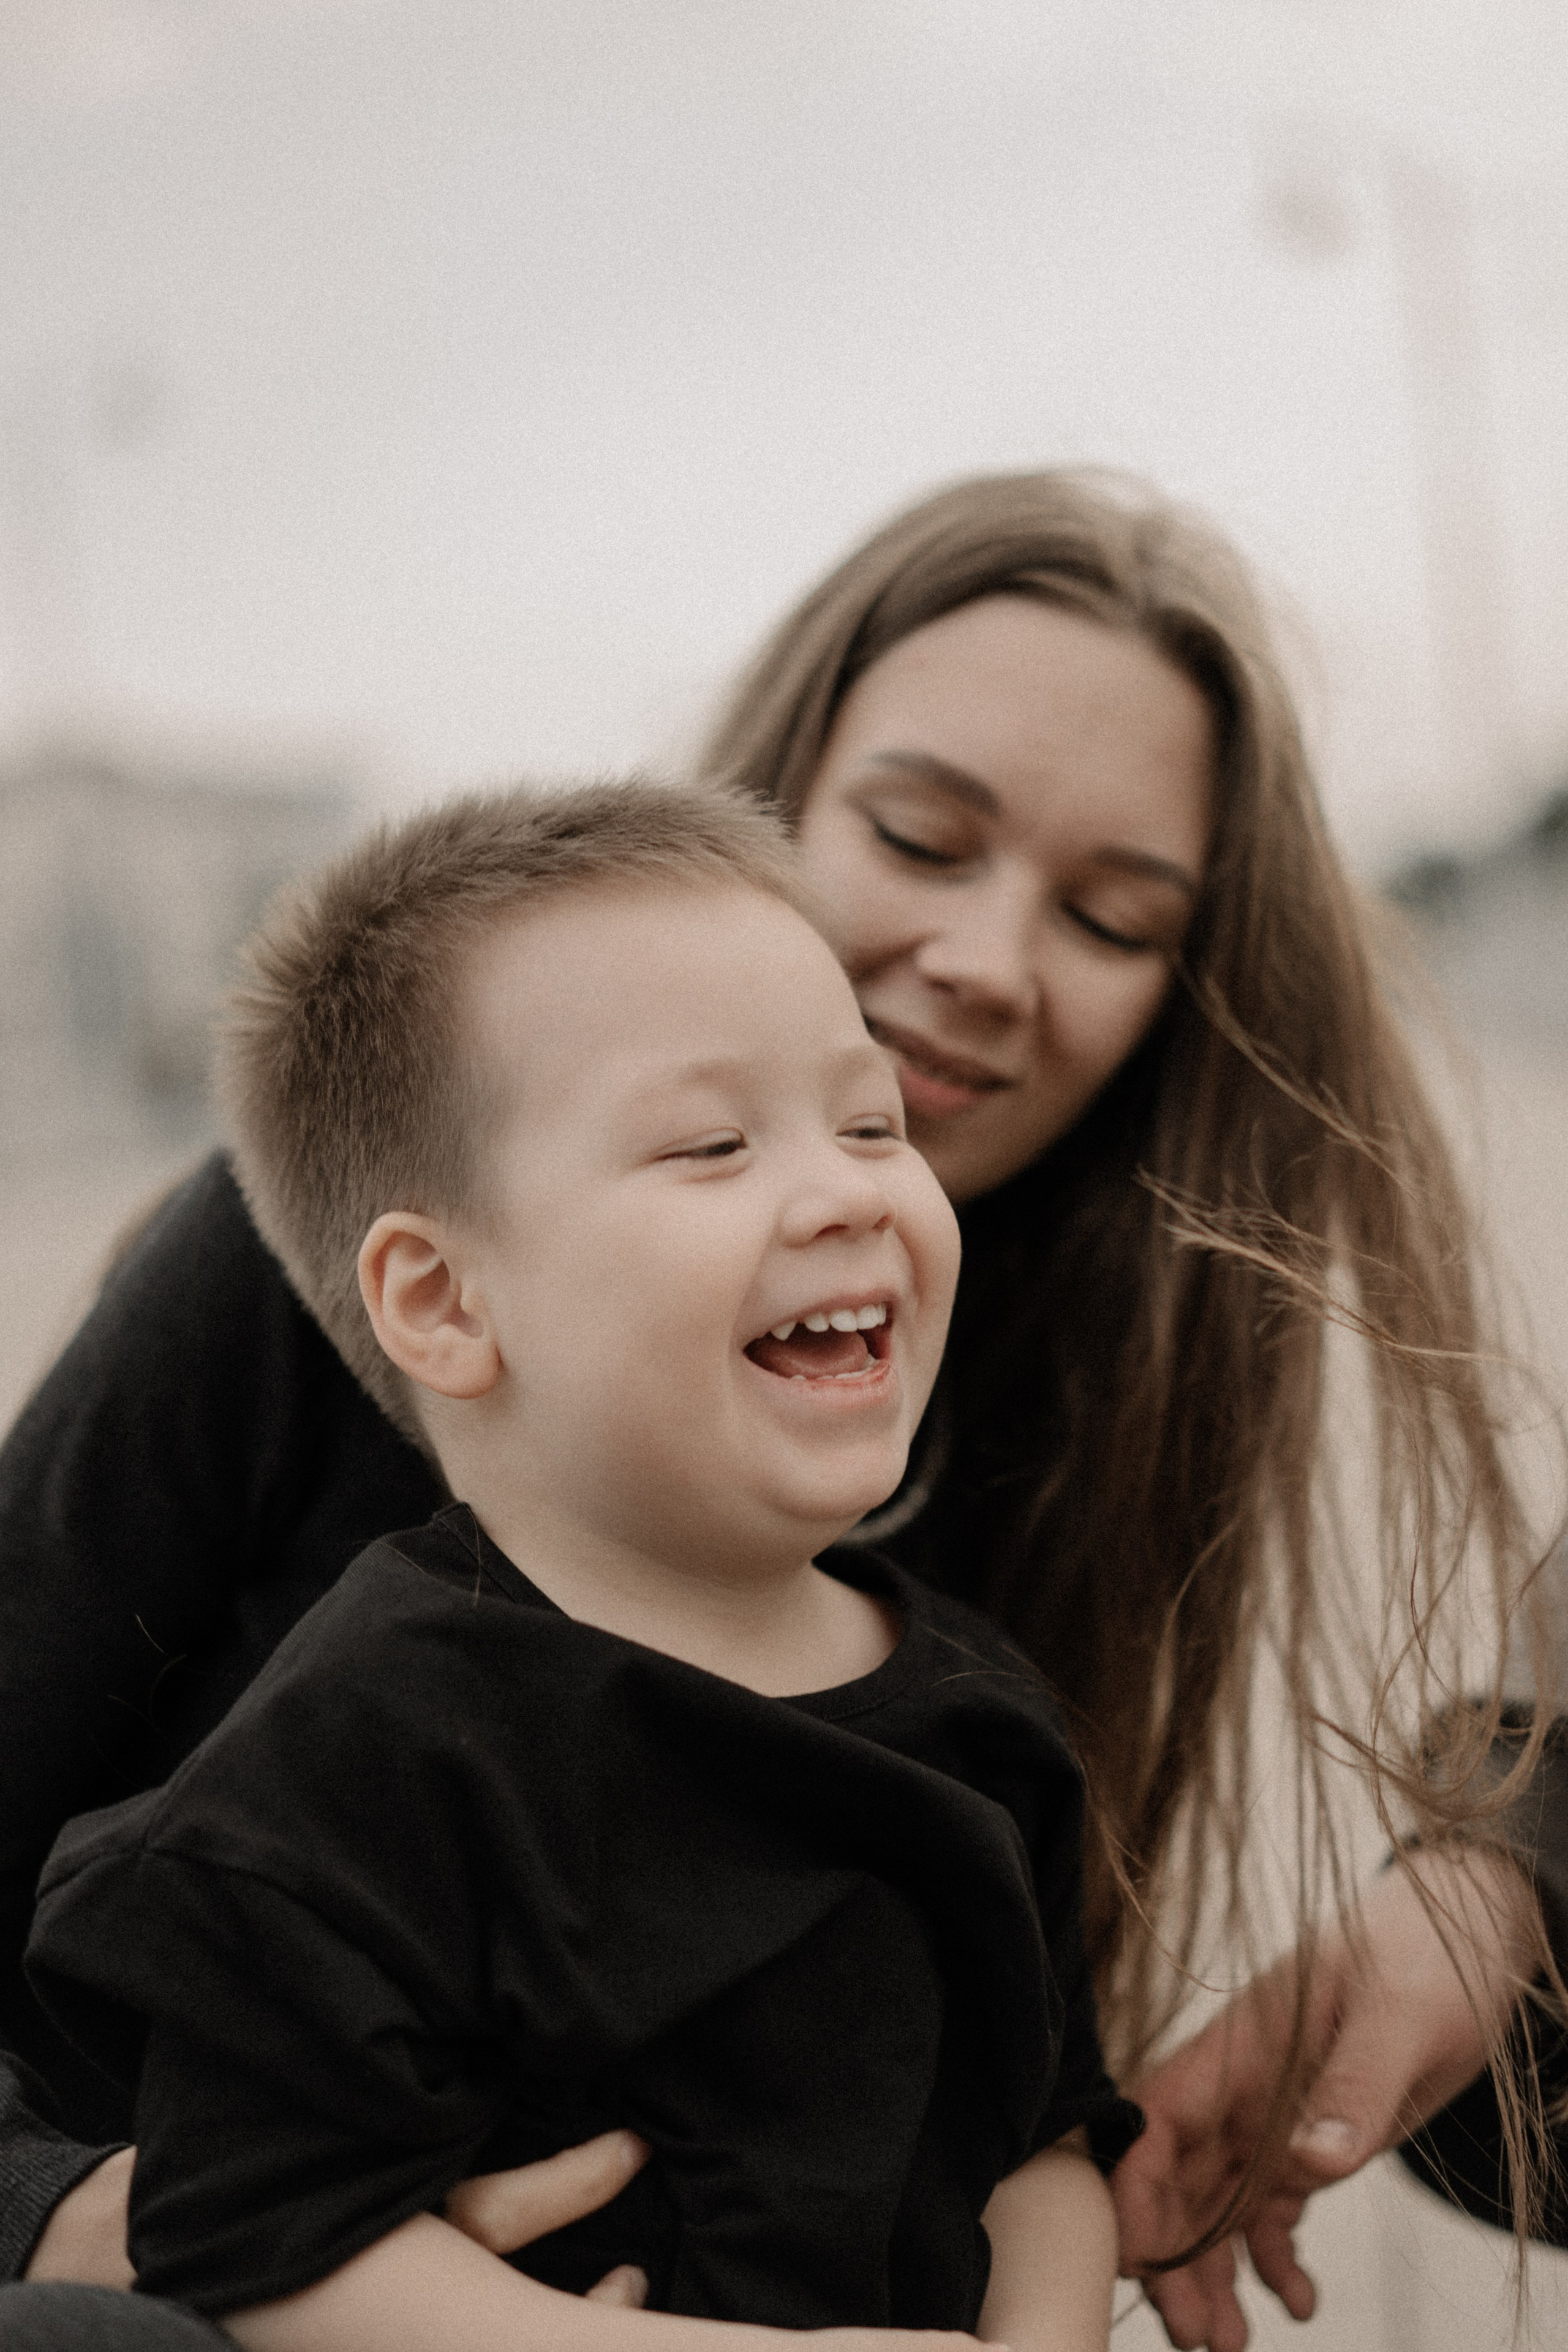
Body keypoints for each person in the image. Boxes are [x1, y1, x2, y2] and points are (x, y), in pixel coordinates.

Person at [0, 470, 1558, 2345]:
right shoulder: (302, 1291)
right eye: (917, 834)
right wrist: (89, 2223)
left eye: (1115, 916)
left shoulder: (1026, 1492)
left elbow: (1003, 2110)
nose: (988, 961)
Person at [25, 778, 1135, 2351]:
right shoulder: (363, 1750)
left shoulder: (974, 1707)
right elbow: (258, 2240)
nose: (845, 1189)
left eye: (869, 1120)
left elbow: (1041, 2134)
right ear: (444, 1301)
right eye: (710, 1143)